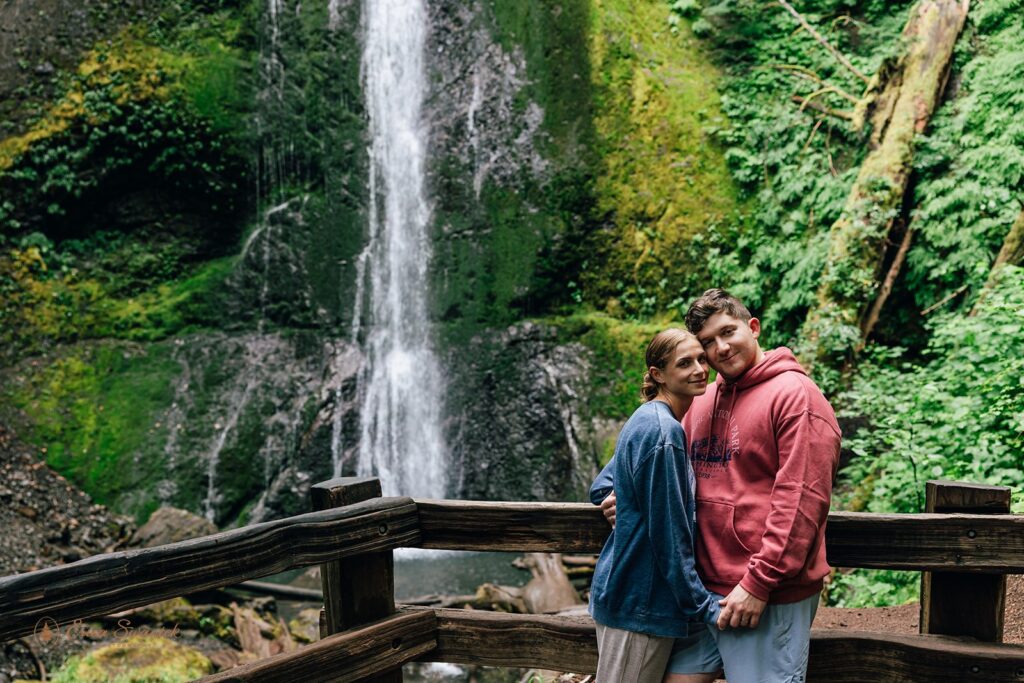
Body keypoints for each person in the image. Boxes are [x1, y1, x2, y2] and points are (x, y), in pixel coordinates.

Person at [598, 289, 841, 683]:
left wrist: (759, 584)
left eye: (728, 332)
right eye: (708, 342)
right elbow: (634, 464)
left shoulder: (797, 399)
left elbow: (801, 502)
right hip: (699, 595)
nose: (721, 348)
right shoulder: (699, 398)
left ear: (754, 327)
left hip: (762, 594)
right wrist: (624, 495)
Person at [588, 328, 721, 683]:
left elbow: (601, 485)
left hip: (626, 593)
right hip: (640, 602)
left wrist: (619, 500)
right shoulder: (665, 433)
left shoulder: (646, 417)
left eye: (701, 359)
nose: (699, 369)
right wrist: (703, 605)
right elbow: (670, 533)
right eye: (684, 363)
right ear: (658, 374)